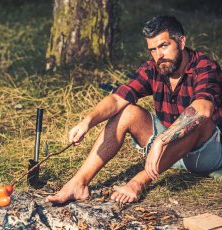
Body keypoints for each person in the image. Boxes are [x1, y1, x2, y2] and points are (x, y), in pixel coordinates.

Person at [46, 16, 222, 204]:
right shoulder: (154, 68)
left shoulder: (204, 67)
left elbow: (203, 109)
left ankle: (138, 182)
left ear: (181, 41)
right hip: (167, 151)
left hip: (205, 153)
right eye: (152, 50)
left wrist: (161, 141)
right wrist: (87, 122)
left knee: (197, 122)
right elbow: (117, 99)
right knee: (127, 111)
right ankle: (78, 184)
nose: (158, 55)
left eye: (163, 46)